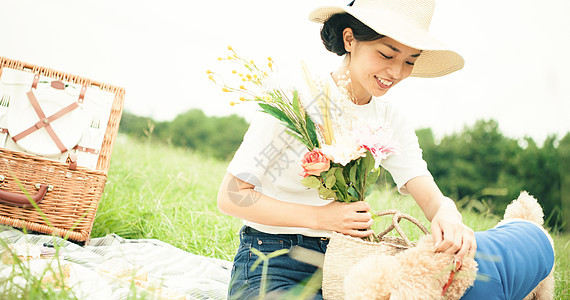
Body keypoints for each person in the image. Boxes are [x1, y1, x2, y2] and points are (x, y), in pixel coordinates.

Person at [217, 0, 476, 299]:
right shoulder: (296, 103)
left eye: (409, 61)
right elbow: (232, 195)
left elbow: (427, 193)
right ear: (350, 39)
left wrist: (446, 212)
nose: (396, 71)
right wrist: (321, 218)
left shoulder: (390, 119)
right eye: (386, 54)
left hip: (348, 263)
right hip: (272, 259)